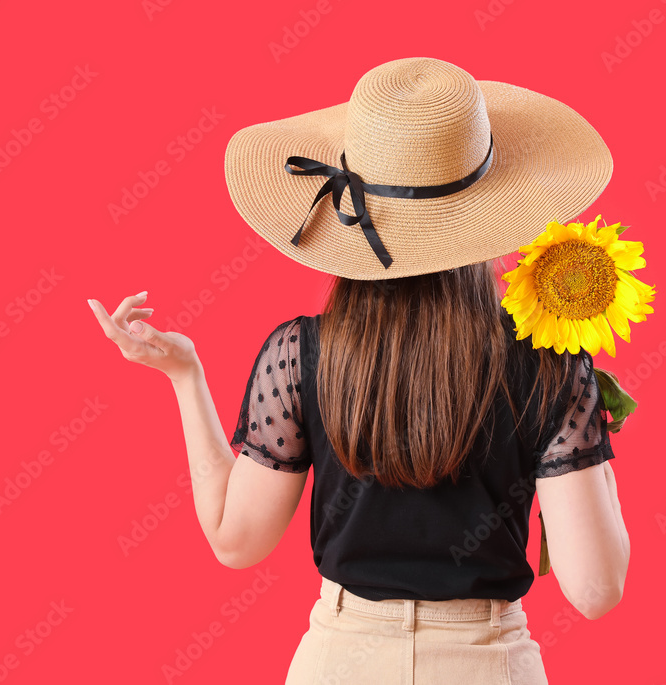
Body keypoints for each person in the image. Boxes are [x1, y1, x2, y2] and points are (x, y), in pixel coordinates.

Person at [87, 57, 632, 685]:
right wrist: (585, 403)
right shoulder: (550, 366)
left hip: (341, 663)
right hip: (487, 664)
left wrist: (185, 376)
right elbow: (596, 589)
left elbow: (236, 543)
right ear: (495, 212)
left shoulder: (297, 353)